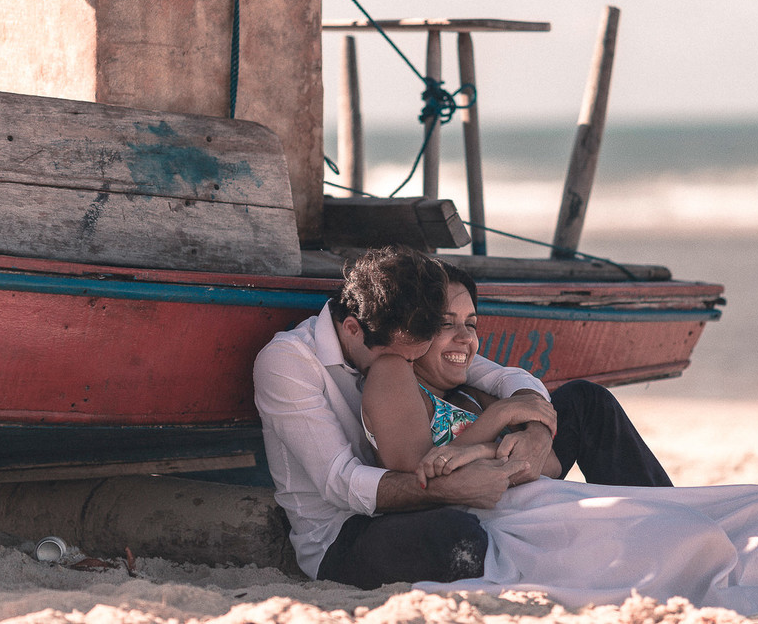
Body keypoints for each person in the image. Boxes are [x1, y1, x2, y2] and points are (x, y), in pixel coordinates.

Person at [359, 264, 758, 617]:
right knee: (693, 538)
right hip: (511, 524)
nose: (465, 339)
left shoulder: (470, 384)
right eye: (445, 325)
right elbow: (421, 471)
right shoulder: (394, 374)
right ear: (415, 328)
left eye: (471, 324)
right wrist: (499, 423)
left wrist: (504, 433)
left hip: (549, 498)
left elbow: (534, 460)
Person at [253, 246, 673, 589]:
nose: (405, 366)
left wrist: (536, 430)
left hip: (443, 483)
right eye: (397, 357)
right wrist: (446, 487)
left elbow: (504, 377)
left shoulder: (404, 334)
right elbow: (340, 484)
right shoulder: (289, 362)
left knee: (586, 401)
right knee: (455, 535)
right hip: (347, 532)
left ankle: (668, 516)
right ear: (351, 329)